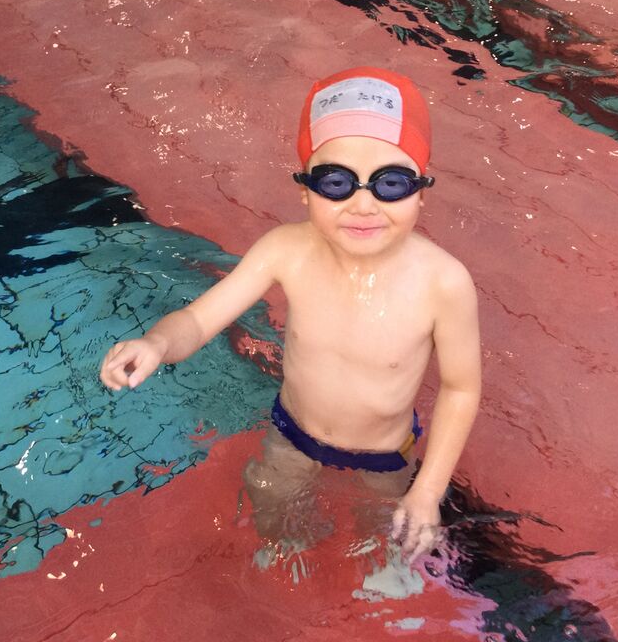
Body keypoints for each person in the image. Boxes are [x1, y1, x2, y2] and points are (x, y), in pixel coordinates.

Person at [99, 67, 482, 560]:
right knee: (272, 514)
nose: (363, 205)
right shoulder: (286, 250)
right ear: (304, 190)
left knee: (388, 539)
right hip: (293, 435)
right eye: (335, 182)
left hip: (386, 455)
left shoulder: (443, 282)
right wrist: (155, 342)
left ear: (422, 191)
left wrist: (428, 491)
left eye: (391, 183)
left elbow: (460, 387)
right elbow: (198, 320)